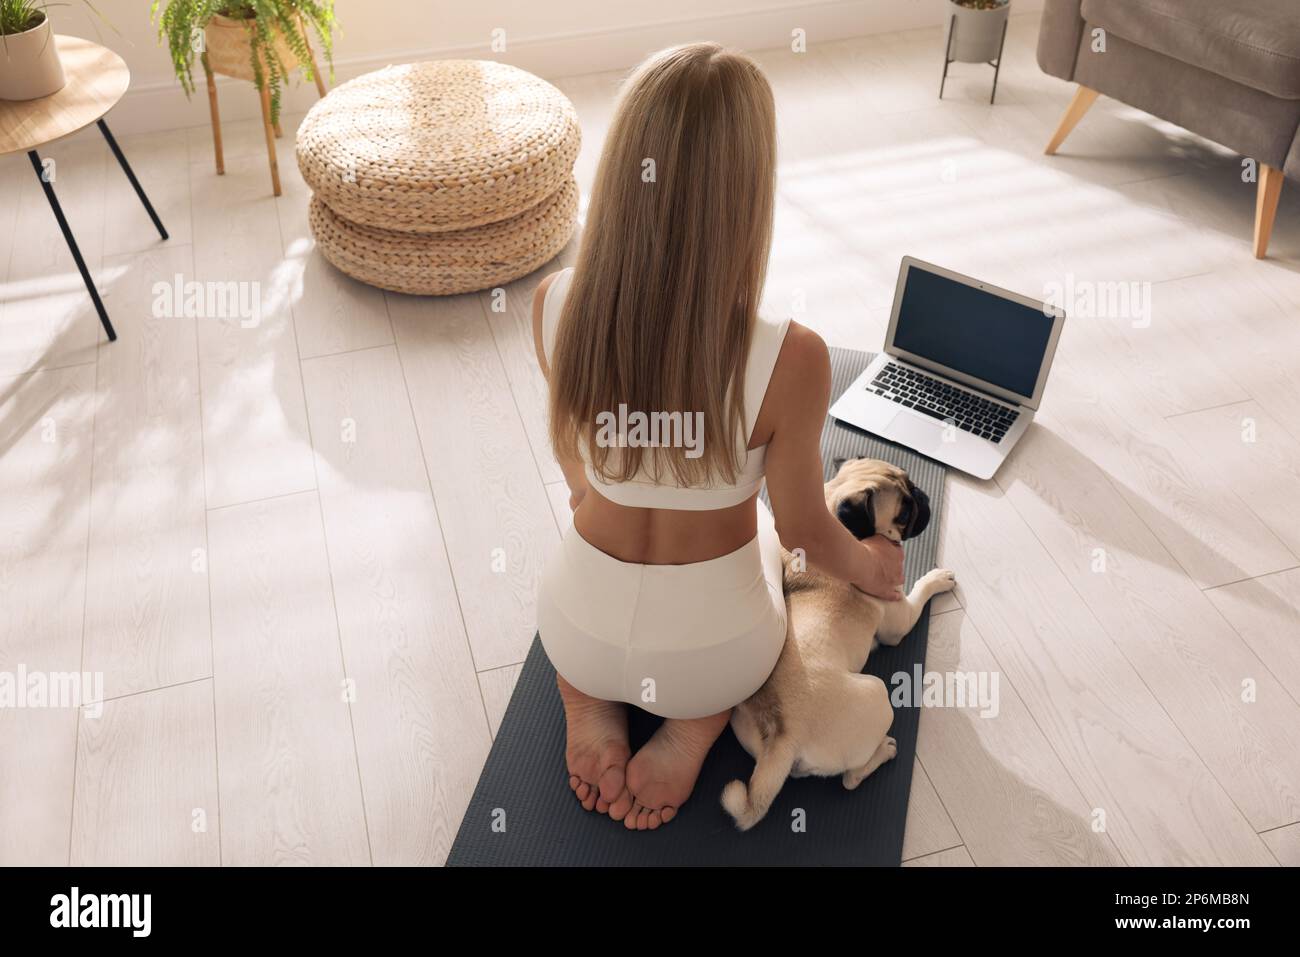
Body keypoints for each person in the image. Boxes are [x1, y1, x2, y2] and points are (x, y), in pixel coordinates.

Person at [531, 42, 904, 831]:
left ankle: (586, 692)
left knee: (591, 560)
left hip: (575, 625)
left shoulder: (554, 304)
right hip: (712, 659)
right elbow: (805, 532)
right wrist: (870, 567)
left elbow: (575, 473)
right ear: (748, 197)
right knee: (764, 545)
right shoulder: (793, 356)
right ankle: (694, 725)